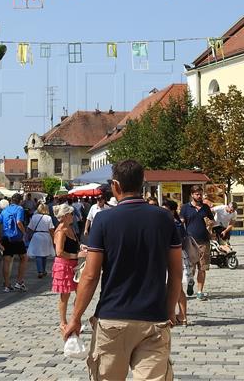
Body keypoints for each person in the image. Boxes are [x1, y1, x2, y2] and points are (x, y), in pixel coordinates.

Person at [63, 160, 182, 381]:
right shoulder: (164, 218)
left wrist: (75, 318)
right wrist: (169, 310)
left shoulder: (104, 219)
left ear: (115, 185)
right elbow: (175, 272)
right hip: (153, 318)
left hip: (113, 318)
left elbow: (90, 275)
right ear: (142, 184)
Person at [180, 185, 214, 300]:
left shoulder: (205, 207)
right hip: (190, 242)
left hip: (204, 240)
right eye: (196, 194)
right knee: (191, 267)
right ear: (192, 195)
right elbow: (182, 222)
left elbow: (212, 221)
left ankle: (200, 291)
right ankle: (190, 282)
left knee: (202, 267)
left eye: (200, 194)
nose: (199, 196)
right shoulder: (185, 207)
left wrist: (210, 223)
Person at [52, 203, 81, 331]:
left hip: (73, 265)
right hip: (64, 265)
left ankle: (75, 319)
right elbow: (59, 252)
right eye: (70, 214)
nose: (73, 216)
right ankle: (63, 322)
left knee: (80, 293)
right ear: (64, 216)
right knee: (65, 295)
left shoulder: (70, 228)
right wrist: (75, 255)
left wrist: (81, 248)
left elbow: (74, 245)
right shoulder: (60, 231)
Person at [164, 199, 188, 325]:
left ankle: (182, 315)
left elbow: (178, 244)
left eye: (166, 210)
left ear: (172, 211)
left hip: (175, 258)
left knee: (177, 287)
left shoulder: (176, 225)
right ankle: (175, 314)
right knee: (171, 286)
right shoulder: (169, 223)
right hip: (165, 257)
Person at [0, 193, 27, 293]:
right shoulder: (19, 209)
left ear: (11, 200)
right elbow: (19, 222)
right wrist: (24, 232)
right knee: (24, 258)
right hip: (17, 238)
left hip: (6, 237)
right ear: (20, 201)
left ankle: (6, 284)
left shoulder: (5, 209)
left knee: (6, 260)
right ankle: (19, 281)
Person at [27, 202, 55, 278]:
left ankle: (40, 271)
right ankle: (43, 270)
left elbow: (30, 228)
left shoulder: (34, 217)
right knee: (44, 254)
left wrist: (28, 236)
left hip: (37, 236)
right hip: (46, 236)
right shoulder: (48, 218)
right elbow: (51, 229)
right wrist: (53, 238)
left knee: (38, 255)